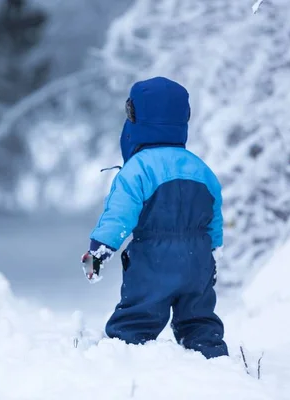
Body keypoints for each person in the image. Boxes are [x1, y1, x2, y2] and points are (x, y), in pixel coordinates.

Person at [81, 77, 228, 359]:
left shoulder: (138, 169)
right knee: (199, 320)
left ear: (135, 119)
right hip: (197, 259)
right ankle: (214, 362)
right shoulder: (201, 168)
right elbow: (214, 217)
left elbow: (119, 216)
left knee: (137, 319)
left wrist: (98, 252)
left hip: (153, 260)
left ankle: (123, 360)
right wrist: (213, 253)